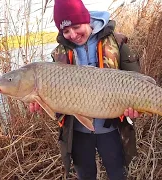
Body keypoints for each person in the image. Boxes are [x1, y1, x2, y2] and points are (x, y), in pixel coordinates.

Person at [29, 0, 141, 179]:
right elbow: (54, 96)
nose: (72, 35)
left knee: (118, 173)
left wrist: (135, 109)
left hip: (112, 128)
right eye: (65, 31)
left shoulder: (116, 42)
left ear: (87, 20)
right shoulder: (58, 56)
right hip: (78, 132)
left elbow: (136, 81)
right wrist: (40, 101)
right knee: (85, 175)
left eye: (76, 26)